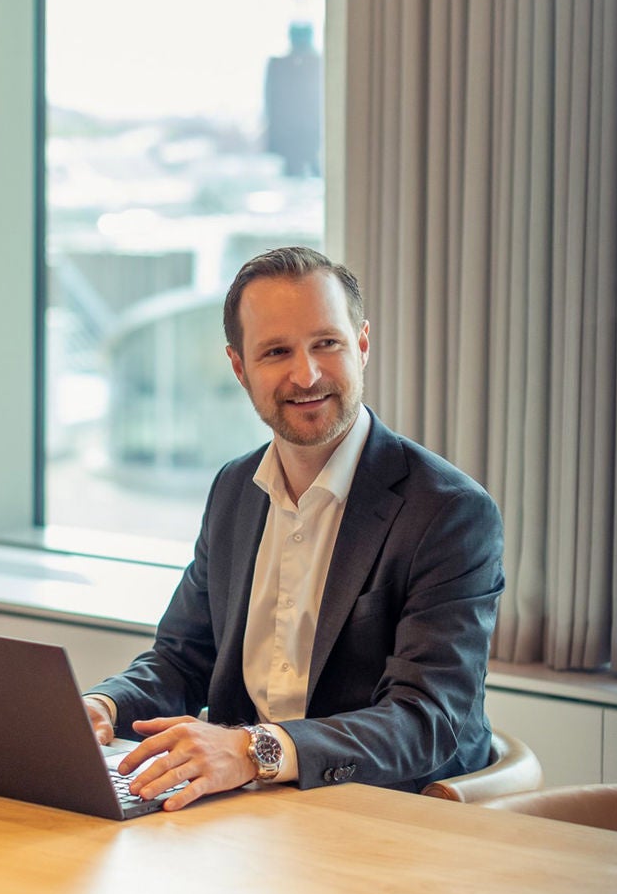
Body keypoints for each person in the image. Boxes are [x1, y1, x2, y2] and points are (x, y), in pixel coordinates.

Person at [82, 247, 503, 811]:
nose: (305, 374)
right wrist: (103, 707)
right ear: (240, 368)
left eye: (326, 343)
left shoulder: (449, 512)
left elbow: (425, 719)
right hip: (245, 816)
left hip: (383, 814)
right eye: (276, 351)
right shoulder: (235, 489)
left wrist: (254, 750)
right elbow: (183, 658)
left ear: (362, 344)